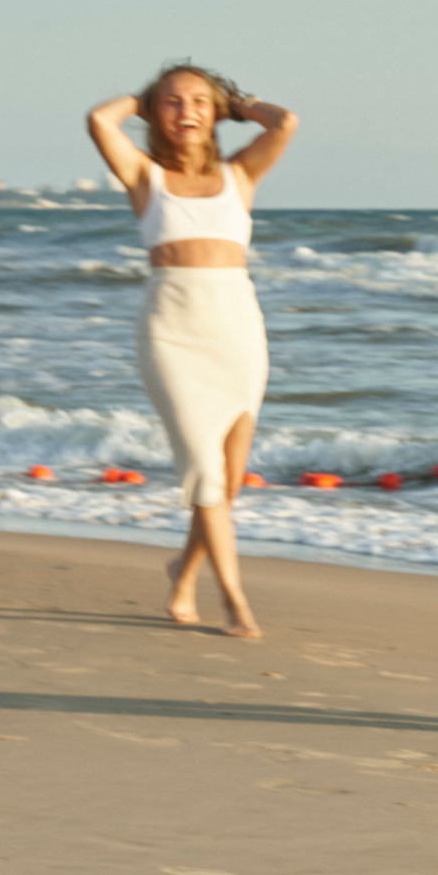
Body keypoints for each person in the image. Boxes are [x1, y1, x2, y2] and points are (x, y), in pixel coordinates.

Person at [85, 64, 298, 639]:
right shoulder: (143, 176)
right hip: (171, 334)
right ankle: (235, 603)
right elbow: (100, 119)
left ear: (216, 111)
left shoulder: (241, 174)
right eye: (174, 103)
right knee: (204, 474)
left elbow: (285, 122)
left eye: (199, 102)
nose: (187, 112)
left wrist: (237, 102)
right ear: (156, 112)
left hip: (237, 332)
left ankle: (183, 576)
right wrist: (144, 98)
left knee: (226, 482)